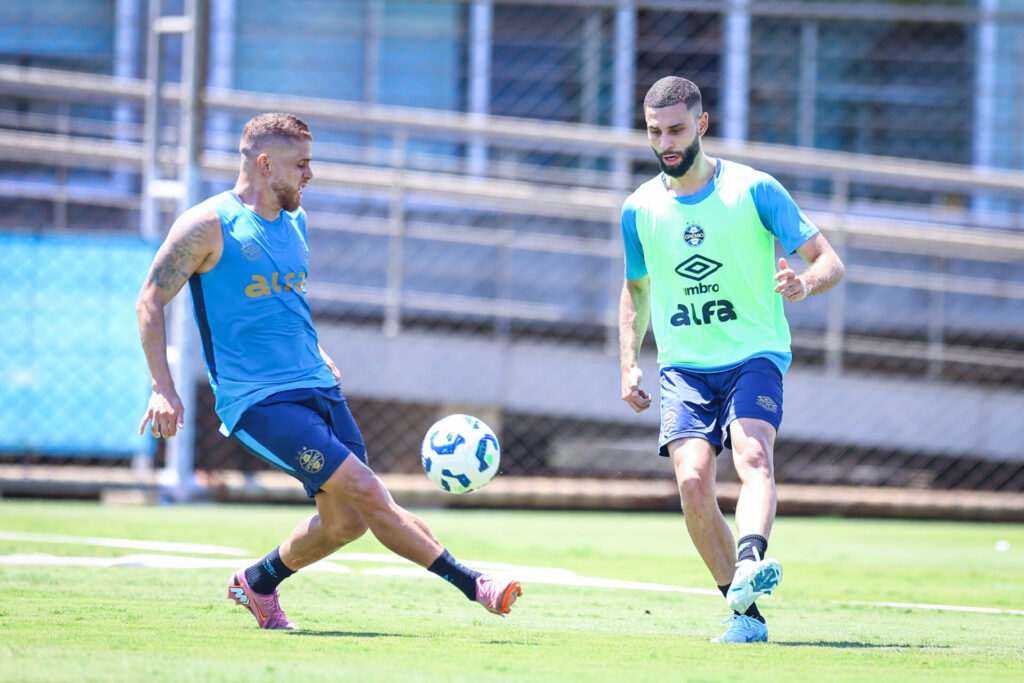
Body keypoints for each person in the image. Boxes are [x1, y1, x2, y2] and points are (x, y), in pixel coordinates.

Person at [136, 112, 522, 630]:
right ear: (265, 162)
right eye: (301, 165)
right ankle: (475, 584)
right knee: (365, 488)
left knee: (347, 523)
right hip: (259, 401)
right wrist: (163, 386)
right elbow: (149, 300)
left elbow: (286, 301)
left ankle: (257, 582)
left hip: (317, 385)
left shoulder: (296, 220)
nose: (310, 175)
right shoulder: (208, 225)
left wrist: (315, 349)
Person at [618, 77, 844, 643]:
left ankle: (749, 562)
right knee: (693, 483)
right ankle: (744, 616)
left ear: (702, 124)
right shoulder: (639, 208)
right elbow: (636, 288)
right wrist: (628, 362)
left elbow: (829, 260)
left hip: (753, 354)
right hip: (684, 366)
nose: (665, 142)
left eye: (675, 129)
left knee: (753, 455)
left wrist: (805, 284)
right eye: (654, 132)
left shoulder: (755, 189)